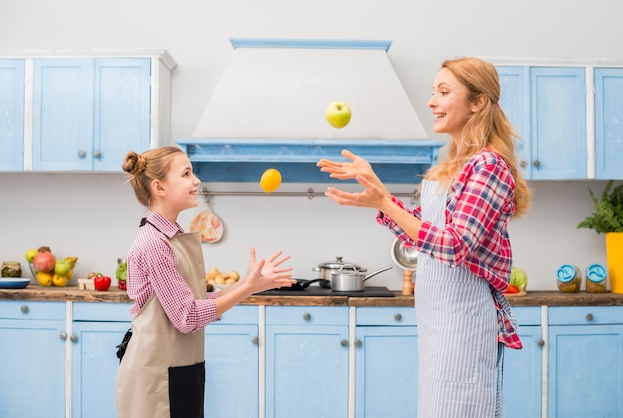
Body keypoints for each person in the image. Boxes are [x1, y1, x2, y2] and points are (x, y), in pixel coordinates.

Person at [317, 57, 531, 418]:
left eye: (444, 92)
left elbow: (453, 244)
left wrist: (384, 201)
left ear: (477, 102)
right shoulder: (451, 164)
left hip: (464, 324)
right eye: (432, 92)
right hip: (439, 322)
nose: (432, 101)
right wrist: (379, 198)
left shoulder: (489, 166)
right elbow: (427, 234)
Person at [116, 146, 294, 418]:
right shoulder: (154, 244)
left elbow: (193, 305)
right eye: (186, 174)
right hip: (156, 379)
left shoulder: (170, 239)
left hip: (179, 369)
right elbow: (187, 317)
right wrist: (246, 288)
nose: (196, 180)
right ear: (159, 187)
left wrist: (249, 283)